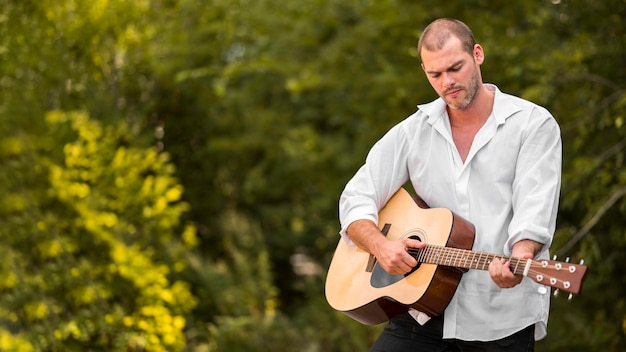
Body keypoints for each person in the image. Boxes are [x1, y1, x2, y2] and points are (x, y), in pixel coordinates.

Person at [338, 18, 561, 351]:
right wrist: (380, 245)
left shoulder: (532, 124)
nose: (447, 82)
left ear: (478, 54)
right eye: (435, 75)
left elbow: (535, 206)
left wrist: (520, 257)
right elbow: (356, 195)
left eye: (455, 68)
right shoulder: (413, 131)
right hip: (419, 310)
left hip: (499, 318)